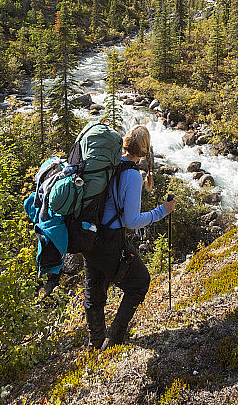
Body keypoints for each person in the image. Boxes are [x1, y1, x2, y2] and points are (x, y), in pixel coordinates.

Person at [82, 124, 175, 349]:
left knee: (94, 291)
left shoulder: (109, 163)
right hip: (110, 241)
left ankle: (95, 344)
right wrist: (163, 211)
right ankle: (114, 338)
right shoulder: (132, 175)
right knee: (139, 283)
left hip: (88, 235)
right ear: (144, 151)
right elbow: (131, 221)